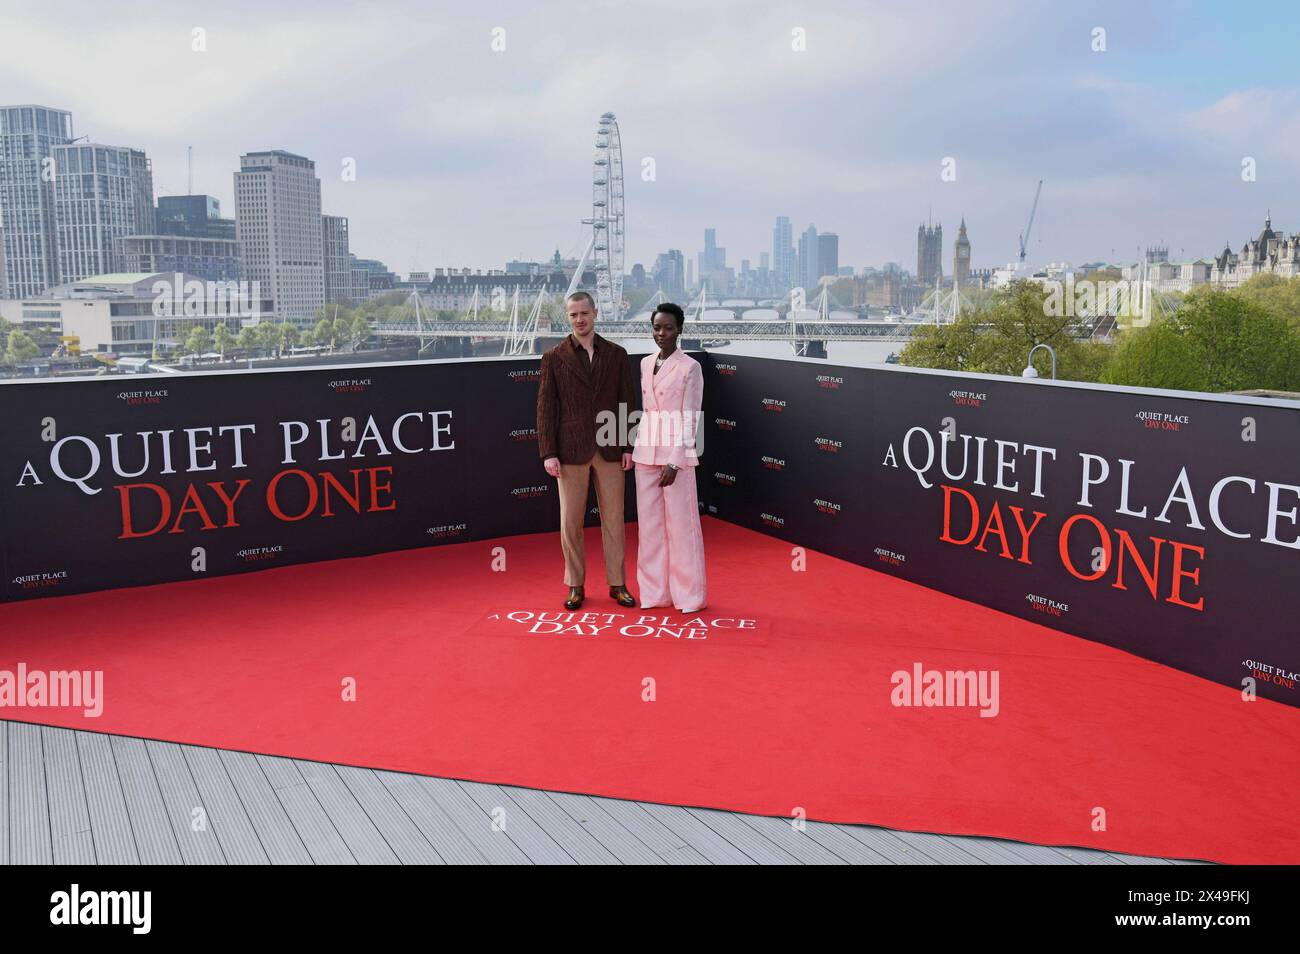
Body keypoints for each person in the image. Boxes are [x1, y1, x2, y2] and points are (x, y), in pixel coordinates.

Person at [536, 290, 637, 611]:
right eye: (573, 315)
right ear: (569, 318)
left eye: (584, 313)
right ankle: (575, 585)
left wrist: (628, 445)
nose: (579, 320)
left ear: (595, 314)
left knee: (614, 520)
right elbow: (545, 408)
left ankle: (617, 583)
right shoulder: (554, 357)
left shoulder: (617, 354)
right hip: (569, 450)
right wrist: (548, 452)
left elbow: (627, 401)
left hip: (610, 447)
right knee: (570, 522)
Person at [632, 303, 707, 613]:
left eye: (668, 328)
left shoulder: (690, 367)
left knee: (682, 527)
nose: (661, 333)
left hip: (675, 458)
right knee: (649, 529)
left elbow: (691, 418)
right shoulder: (645, 363)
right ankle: (654, 593)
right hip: (645, 453)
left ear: (680, 330)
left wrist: (675, 462)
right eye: (657, 328)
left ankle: (690, 597)